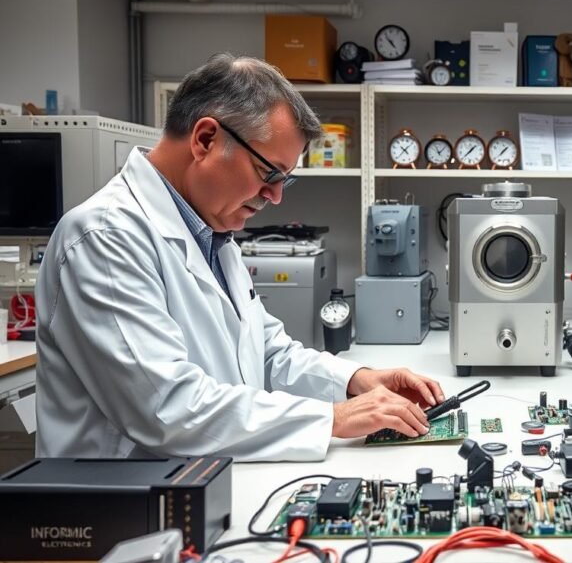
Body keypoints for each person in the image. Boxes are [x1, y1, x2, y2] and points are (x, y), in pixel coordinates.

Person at [34, 53, 443, 461]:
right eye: (269, 174)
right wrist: (333, 418)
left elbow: (268, 354)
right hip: (121, 511)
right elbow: (166, 408)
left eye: (286, 180)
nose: (276, 197)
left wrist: (357, 379)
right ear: (205, 139)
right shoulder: (104, 239)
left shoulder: (213, 236)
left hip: (209, 480)